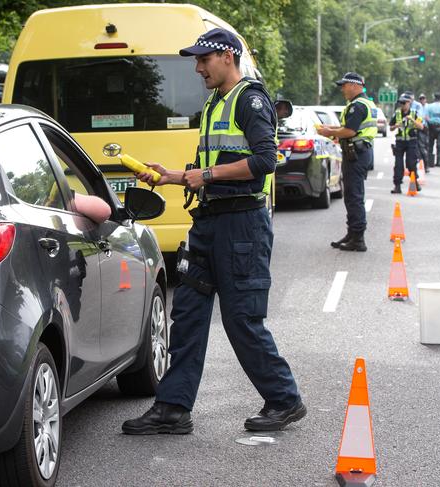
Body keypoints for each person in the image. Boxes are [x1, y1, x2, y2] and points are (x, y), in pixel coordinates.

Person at [121, 28, 305, 435]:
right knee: (186, 316)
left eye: (204, 59)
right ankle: (172, 409)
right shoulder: (214, 103)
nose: (198, 67)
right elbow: (209, 166)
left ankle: (284, 399)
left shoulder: (250, 100)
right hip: (208, 222)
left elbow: (265, 161)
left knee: (242, 320)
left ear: (227, 56)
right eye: (196, 60)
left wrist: (204, 175)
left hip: (242, 226)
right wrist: (171, 176)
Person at [317, 72, 377, 252]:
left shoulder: (357, 105)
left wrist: (329, 132)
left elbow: (350, 131)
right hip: (359, 152)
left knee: (354, 196)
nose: (342, 89)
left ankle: (358, 238)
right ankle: (352, 233)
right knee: (352, 195)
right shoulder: (364, 103)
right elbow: (350, 128)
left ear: (354, 85)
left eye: (344, 85)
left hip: (356, 154)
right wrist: (330, 129)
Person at [390, 93, 424, 194]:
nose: (402, 105)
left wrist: (412, 120)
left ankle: (415, 182)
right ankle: (397, 186)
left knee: (411, 163)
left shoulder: (414, 113)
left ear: (409, 103)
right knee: (398, 165)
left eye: (404, 103)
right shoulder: (397, 113)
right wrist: (396, 126)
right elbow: (390, 127)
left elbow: (421, 127)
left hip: (411, 142)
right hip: (400, 142)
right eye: (401, 103)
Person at [425, 92, 440, 167]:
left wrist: (430, 122)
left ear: (434, 98)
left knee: (430, 145)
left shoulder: (429, 106)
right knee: (439, 145)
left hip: (431, 127)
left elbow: (426, 117)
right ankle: (438, 162)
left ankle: (429, 161)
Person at [417, 94, 430, 172]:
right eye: (421, 99)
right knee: (419, 147)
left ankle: (426, 165)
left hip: (426, 128)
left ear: (426, 99)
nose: (422, 100)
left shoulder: (428, 107)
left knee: (424, 147)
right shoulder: (418, 107)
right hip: (419, 128)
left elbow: (429, 117)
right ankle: (423, 164)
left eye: (423, 99)